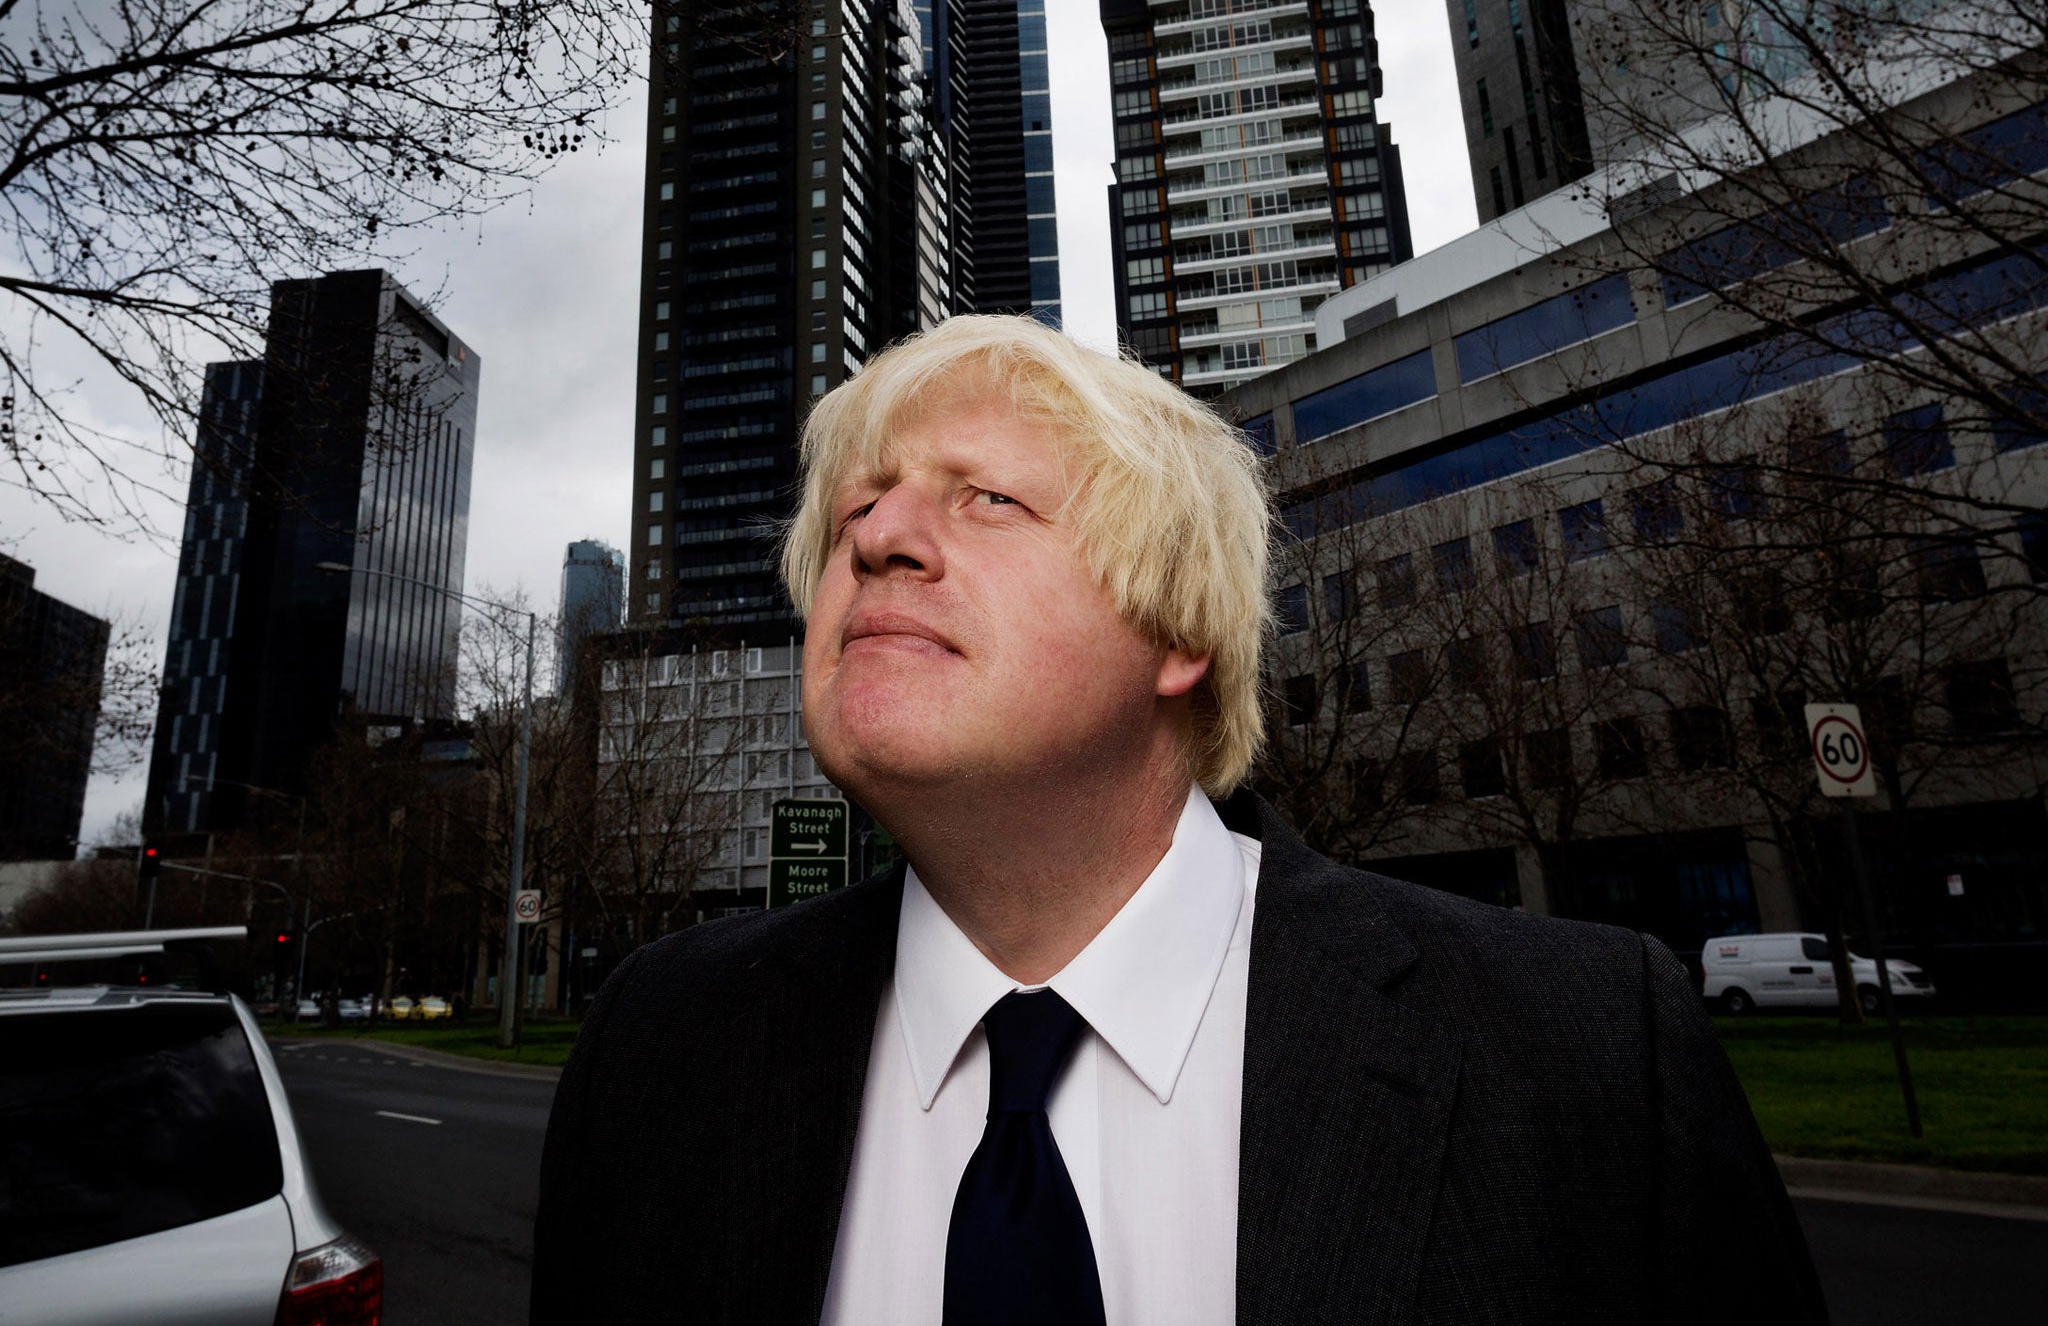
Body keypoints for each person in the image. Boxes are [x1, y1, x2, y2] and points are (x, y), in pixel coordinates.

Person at [532, 316, 1825, 1325]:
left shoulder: (1582, 1049)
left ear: (1176, 632)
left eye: (984, 497)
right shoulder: (660, 1044)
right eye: (858, 512)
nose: (879, 542)